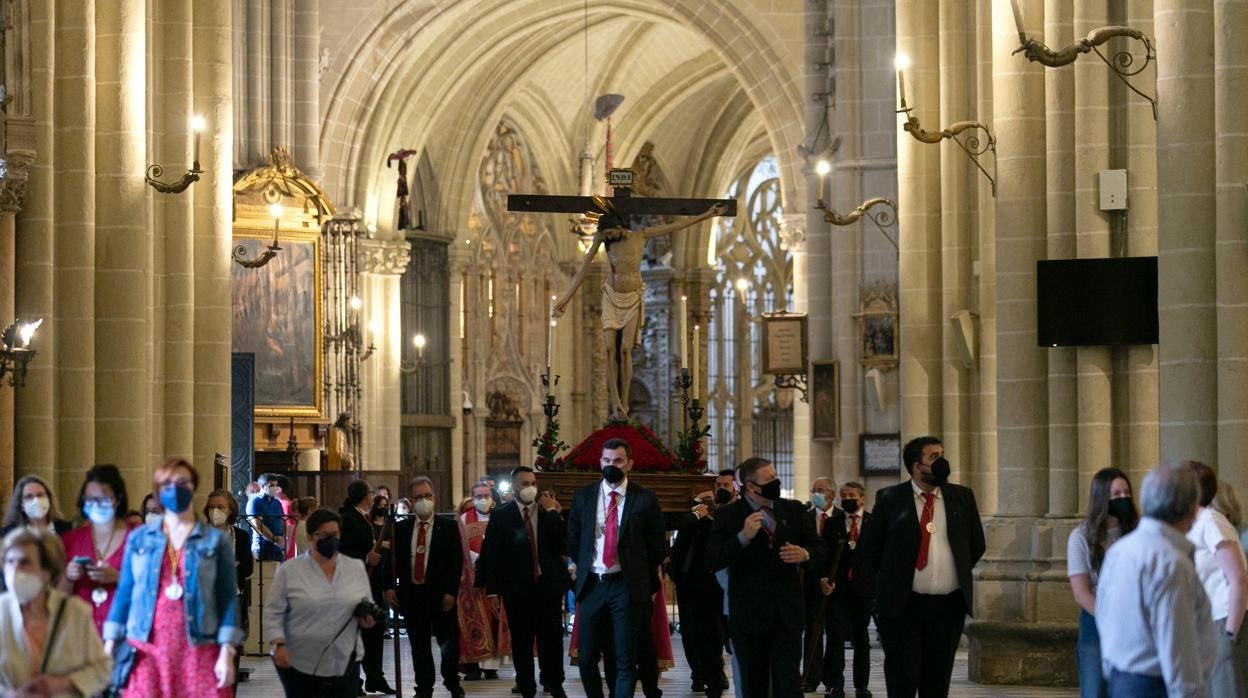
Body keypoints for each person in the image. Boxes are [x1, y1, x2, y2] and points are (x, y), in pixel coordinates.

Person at [553, 204, 726, 420]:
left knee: (625, 351)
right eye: (605, 234)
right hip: (611, 297)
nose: (608, 237)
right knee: (609, 350)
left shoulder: (640, 235)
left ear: (618, 227)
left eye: (610, 233)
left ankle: (624, 402)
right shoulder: (603, 239)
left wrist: (707, 215)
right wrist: (565, 298)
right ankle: (615, 402)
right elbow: (583, 269)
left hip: (632, 298)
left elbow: (677, 225)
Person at [857, 436, 986, 698]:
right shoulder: (890, 498)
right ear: (917, 466)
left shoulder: (962, 497)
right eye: (934, 457)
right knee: (903, 678)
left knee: (937, 681)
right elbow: (871, 549)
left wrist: (948, 573)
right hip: (903, 606)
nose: (943, 462)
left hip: (947, 606)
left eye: (942, 454)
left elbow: (976, 544)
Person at [104, 457, 242, 697]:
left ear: (194, 487)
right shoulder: (139, 539)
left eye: (183, 482)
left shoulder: (214, 541)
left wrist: (227, 652)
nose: (175, 489)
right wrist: (109, 646)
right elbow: (125, 593)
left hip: (199, 647)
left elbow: (228, 599)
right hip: (147, 649)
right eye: (168, 484)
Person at [706, 457, 825, 698]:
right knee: (754, 684)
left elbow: (819, 549)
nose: (776, 482)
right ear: (751, 487)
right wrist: (742, 537)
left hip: (786, 614)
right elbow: (713, 559)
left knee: (788, 683)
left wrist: (804, 554)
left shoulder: (793, 510)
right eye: (769, 479)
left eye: (775, 476)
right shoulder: (728, 516)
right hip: (748, 615)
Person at [1098, 462, 1216, 696]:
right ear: (1192, 508)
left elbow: (1104, 615)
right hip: (1157, 686)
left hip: (1122, 680)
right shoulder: (1170, 563)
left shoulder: (1120, 550)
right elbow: (1177, 645)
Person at [566, 438, 665, 698]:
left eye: (618, 461)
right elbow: (575, 539)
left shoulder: (644, 499)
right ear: (600, 462)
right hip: (593, 585)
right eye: (607, 461)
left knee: (624, 657)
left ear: (629, 464)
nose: (612, 465)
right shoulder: (583, 497)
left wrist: (637, 573)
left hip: (626, 586)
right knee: (586, 659)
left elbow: (656, 546)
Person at [477, 466, 570, 698]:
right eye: (524, 483)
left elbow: (563, 544)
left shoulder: (547, 511)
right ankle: (526, 685)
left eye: (533, 483)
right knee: (522, 641)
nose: (530, 487)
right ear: (514, 486)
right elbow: (492, 553)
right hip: (517, 588)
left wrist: (552, 513)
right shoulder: (502, 514)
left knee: (552, 638)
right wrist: (491, 590)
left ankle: (554, 682)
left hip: (547, 586)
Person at [263, 508, 377, 696]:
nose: (330, 539)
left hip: (345, 659)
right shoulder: (289, 571)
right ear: (310, 537)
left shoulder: (355, 568)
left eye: (335, 534)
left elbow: (366, 603)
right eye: (324, 535)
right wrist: (279, 644)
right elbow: (273, 611)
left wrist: (367, 618)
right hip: (300, 661)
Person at [0, 527, 111, 697]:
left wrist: (64, 683)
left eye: (25, 562)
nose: (15, 571)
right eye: (9, 562)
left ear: (46, 572)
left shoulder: (75, 612)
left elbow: (102, 669)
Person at [382, 476, 465, 698]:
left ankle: (452, 681)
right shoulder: (400, 528)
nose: (424, 501)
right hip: (412, 594)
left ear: (434, 498)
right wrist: (389, 587)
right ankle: (424, 687)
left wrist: (451, 591)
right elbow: (389, 561)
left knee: (449, 644)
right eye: (419, 497)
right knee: (419, 646)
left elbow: (457, 562)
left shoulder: (448, 527)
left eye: (427, 496)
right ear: (411, 500)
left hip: (440, 594)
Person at [1066, 467, 1138, 698]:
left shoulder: (1139, 531)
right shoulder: (1081, 537)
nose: (1123, 499)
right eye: (1116, 495)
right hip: (1097, 618)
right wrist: (1111, 620)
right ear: (1101, 498)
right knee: (1094, 689)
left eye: (1126, 493)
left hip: (1136, 618)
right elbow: (1081, 591)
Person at [1184, 461, 1248, 697]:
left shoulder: (1212, 521)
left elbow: (1239, 579)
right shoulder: (1191, 524)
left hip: (1224, 621)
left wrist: (1230, 634)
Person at [670, 469, 736, 697]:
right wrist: (699, 512)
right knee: (690, 630)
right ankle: (698, 673)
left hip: (716, 579)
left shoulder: (733, 513)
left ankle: (716, 672)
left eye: (726, 485)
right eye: (718, 485)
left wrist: (714, 516)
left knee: (715, 630)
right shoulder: (697, 511)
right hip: (689, 577)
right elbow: (681, 532)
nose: (721, 489)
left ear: (735, 488)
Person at [60, 464, 135, 634]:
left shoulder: (137, 537)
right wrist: (69, 576)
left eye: (102, 499)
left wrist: (118, 577)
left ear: (117, 499)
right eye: (89, 500)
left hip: (125, 631)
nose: (95, 505)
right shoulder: (71, 540)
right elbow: (58, 598)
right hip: (82, 634)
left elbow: (153, 587)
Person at [338, 480, 395, 696]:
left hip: (371, 583)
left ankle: (375, 678)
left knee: (374, 632)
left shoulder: (361, 515)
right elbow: (343, 551)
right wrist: (365, 557)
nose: (372, 498)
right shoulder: (348, 518)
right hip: (357, 583)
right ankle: (355, 681)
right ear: (365, 496)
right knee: (357, 634)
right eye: (370, 494)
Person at [822, 482, 873, 698]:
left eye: (852, 495)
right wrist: (824, 579)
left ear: (862, 498)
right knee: (835, 637)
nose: (847, 499)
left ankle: (861, 685)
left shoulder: (873, 522)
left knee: (861, 638)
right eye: (844, 495)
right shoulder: (833, 523)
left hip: (863, 588)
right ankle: (836, 684)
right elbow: (824, 553)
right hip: (838, 588)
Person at [459, 482, 506, 681]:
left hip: (496, 577)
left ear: (492, 497)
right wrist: (477, 558)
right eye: (478, 496)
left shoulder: (502, 516)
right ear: (472, 496)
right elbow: (459, 546)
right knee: (474, 621)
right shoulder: (463, 519)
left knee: (494, 620)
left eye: (486, 495)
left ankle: (491, 667)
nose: (483, 499)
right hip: (471, 578)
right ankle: (473, 666)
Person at [802, 476, 840, 693]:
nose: (816, 493)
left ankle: (833, 678)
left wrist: (831, 579)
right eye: (814, 489)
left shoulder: (841, 517)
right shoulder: (805, 518)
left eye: (821, 490)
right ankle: (810, 677)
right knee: (812, 632)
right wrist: (818, 578)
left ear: (832, 494)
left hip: (837, 585)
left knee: (835, 633)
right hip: (811, 582)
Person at [1, 476, 71, 537]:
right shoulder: (6, 534)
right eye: (29, 497)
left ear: (49, 499)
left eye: (40, 495)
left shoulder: (69, 530)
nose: (36, 500)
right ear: (21, 504)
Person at [247, 474, 286, 563]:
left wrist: (283, 537)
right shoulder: (254, 502)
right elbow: (257, 525)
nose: (275, 488)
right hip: (262, 547)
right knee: (264, 576)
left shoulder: (277, 502)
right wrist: (274, 539)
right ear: (261, 486)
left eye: (276, 485)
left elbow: (282, 521)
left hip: (278, 548)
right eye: (271, 485)